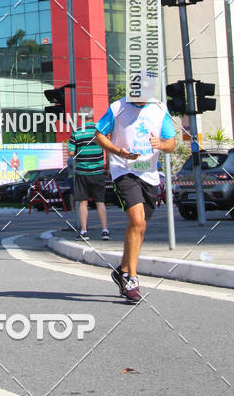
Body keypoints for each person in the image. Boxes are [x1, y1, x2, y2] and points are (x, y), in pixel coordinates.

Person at [94, 95, 176, 302]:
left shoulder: (159, 108)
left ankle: (122, 270)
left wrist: (161, 144)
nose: (139, 101)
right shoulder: (117, 107)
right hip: (124, 171)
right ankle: (132, 278)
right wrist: (117, 151)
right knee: (137, 220)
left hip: (149, 175)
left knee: (140, 227)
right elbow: (99, 135)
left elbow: (171, 144)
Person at [68, 106, 110, 240]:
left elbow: (71, 153)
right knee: (100, 201)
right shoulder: (100, 131)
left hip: (82, 172)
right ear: (92, 116)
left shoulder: (77, 132)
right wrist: (107, 167)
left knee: (83, 202)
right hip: (97, 171)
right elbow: (107, 150)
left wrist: (80, 153)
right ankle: (105, 230)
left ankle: (84, 231)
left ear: (81, 117)